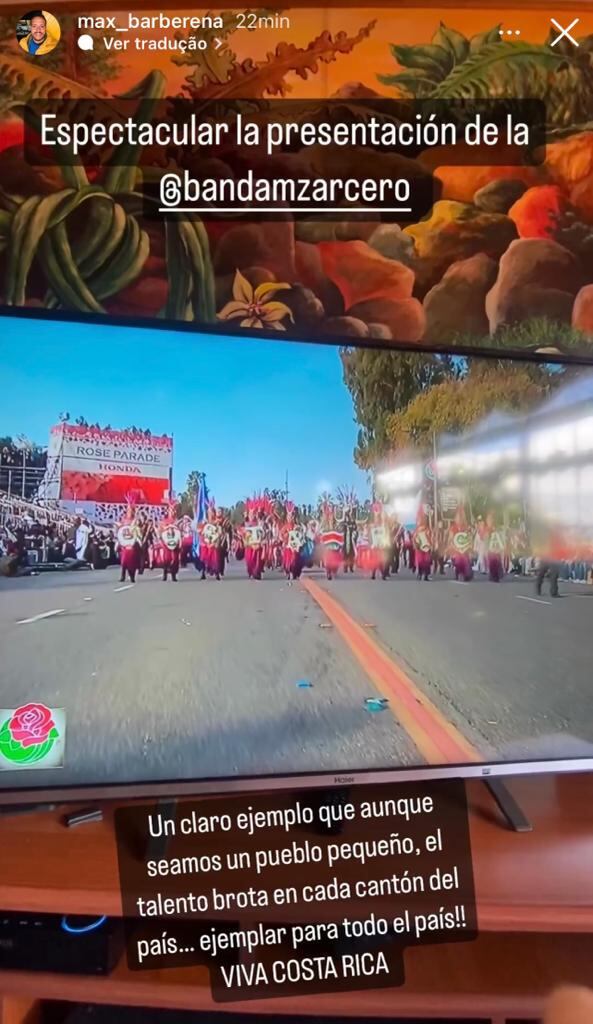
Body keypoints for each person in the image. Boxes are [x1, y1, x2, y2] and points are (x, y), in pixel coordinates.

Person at [116, 507, 141, 583]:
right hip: (124, 544)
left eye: (131, 511)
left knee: (132, 563)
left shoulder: (134, 520)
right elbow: (120, 530)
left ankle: (132, 576)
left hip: (132, 543)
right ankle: (123, 576)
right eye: (128, 510)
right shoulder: (123, 520)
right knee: (124, 562)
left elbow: (137, 531)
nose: (129, 512)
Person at [449, 504, 473, 582]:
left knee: (466, 562)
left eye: (461, 516)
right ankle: (458, 573)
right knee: (458, 561)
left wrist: (470, 546)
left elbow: (469, 538)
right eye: (458, 517)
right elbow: (451, 539)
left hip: (465, 549)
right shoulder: (453, 528)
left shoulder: (466, 528)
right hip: (456, 549)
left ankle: (466, 574)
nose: (460, 518)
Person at [243, 499, 265, 580]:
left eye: (253, 514)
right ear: (248, 515)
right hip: (249, 546)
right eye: (250, 514)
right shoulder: (246, 524)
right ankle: (251, 572)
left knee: (258, 561)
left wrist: (260, 543)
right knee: (249, 561)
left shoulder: (259, 524)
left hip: (258, 545)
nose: (252, 516)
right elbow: (244, 535)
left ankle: (257, 573)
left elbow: (263, 534)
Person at [319, 502, 342, 581]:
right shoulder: (324, 525)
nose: (331, 519)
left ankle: (334, 569)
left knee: (336, 560)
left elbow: (340, 534)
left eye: (332, 518)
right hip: (327, 546)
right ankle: (328, 572)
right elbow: (320, 531)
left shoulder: (337, 526)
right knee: (327, 559)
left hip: (335, 546)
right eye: (330, 517)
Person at [369, 502, 391, 581]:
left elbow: (387, 534)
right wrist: (371, 543)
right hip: (375, 545)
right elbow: (370, 535)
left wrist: (387, 542)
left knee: (382, 560)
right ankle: (374, 574)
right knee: (375, 560)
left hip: (382, 545)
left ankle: (383, 574)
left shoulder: (384, 525)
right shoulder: (373, 525)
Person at [159, 513, 181, 583]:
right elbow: (161, 531)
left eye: (173, 510)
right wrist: (168, 527)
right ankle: (165, 575)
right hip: (166, 542)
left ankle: (173, 575)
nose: (172, 512)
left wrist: (180, 542)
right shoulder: (164, 521)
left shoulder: (176, 520)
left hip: (175, 542)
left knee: (175, 560)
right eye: (170, 510)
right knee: (166, 559)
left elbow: (179, 531)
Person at [414, 509, 433, 582]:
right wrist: (416, 544)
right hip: (419, 547)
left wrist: (431, 544)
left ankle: (426, 575)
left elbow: (430, 537)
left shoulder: (428, 529)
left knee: (427, 561)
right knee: (420, 561)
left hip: (426, 547)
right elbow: (414, 538)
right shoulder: (417, 530)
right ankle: (420, 573)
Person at [342, 506, 358, 574]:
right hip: (345, 540)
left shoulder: (353, 521)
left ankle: (351, 567)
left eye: (349, 512)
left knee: (351, 554)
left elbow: (355, 529)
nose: (348, 513)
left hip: (351, 540)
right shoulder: (343, 522)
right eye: (347, 512)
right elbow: (341, 530)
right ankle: (345, 567)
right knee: (345, 554)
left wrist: (354, 534)